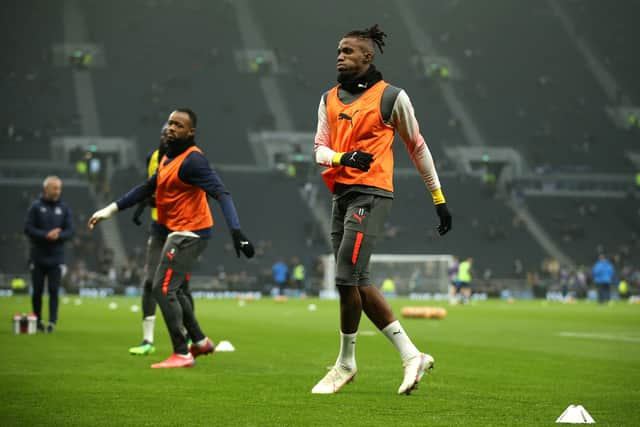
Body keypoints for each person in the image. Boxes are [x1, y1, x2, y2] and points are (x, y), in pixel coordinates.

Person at [311, 25, 452, 395]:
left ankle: (345, 363)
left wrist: (438, 198)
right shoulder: (328, 99)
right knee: (356, 279)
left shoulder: (391, 98)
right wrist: (344, 157)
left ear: (367, 57)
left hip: (371, 194)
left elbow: (417, 147)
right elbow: (319, 151)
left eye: (348, 51)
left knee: (345, 276)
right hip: (340, 195)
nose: (340, 56)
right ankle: (411, 355)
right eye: (338, 50)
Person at [88, 108, 255, 368]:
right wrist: (109, 210)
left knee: (162, 288)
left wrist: (236, 231)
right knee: (171, 288)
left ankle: (182, 352)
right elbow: (146, 187)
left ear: (191, 132)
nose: (171, 128)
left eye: (178, 125)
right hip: (174, 230)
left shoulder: (193, 161)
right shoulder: (167, 158)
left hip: (191, 232)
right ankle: (199, 342)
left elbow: (222, 193)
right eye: (169, 123)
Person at [128, 125, 195, 356]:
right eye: (166, 134)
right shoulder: (153, 158)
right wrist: (142, 205)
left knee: (180, 287)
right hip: (159, 229)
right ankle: (148, 340)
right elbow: (151, 186)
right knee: (149, 283)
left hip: (182, 230)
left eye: (173, 133)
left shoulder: (189, 159)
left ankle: (189, 338)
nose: (168, 137)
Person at [24, 176, 74, 333]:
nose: (58, 191)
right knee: (37, 290)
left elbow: (71, 231)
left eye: (59, 188)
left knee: (54, 290)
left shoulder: (64, 208)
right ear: (46, 189)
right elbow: (28, 229)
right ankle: (37, 321)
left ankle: (52, 322)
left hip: (56, 258)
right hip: (37, 257)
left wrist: (59, 236)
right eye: (55, 188)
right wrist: (46, 235)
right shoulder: (35, 207)